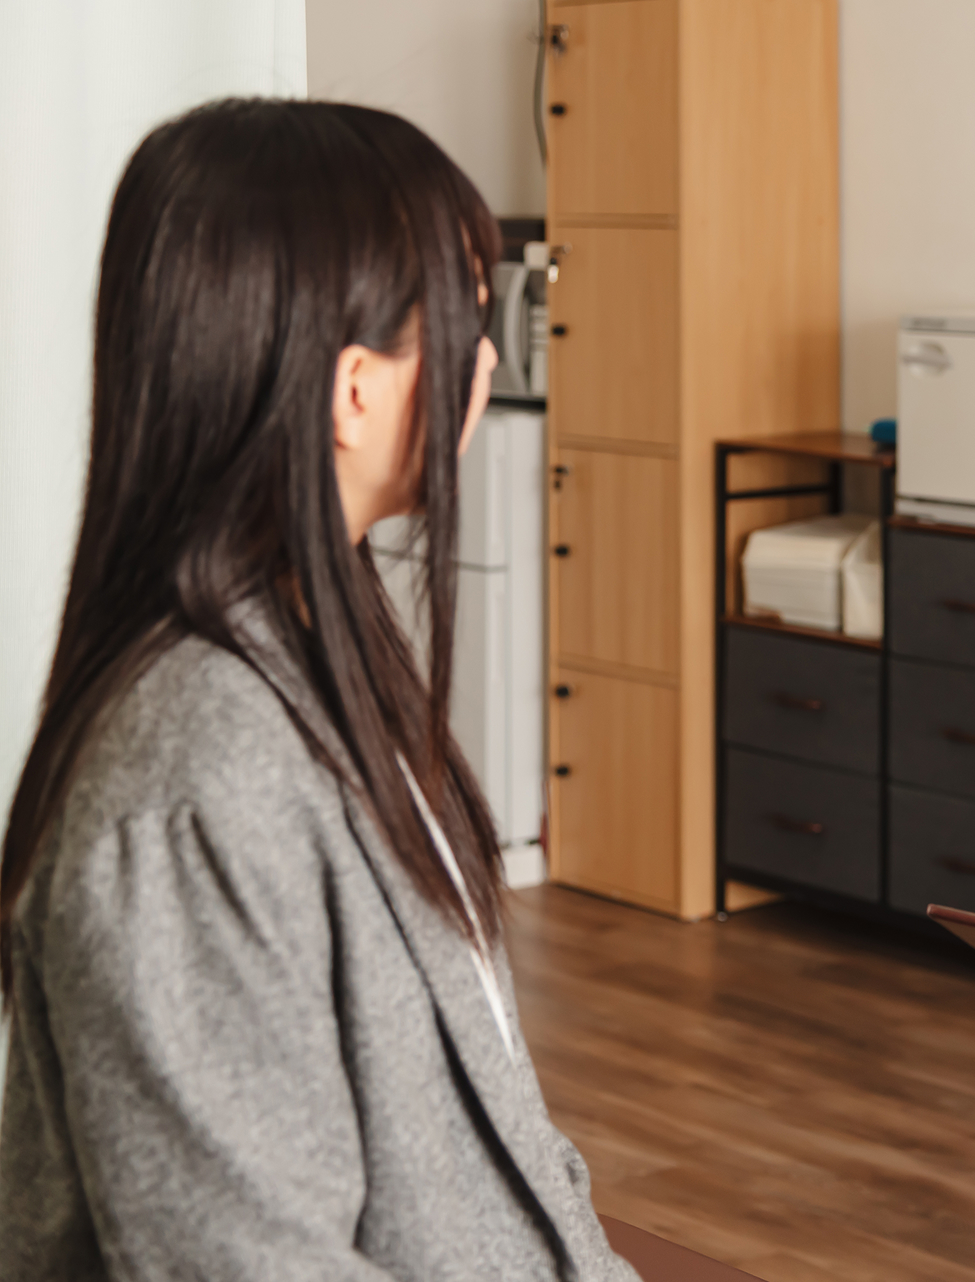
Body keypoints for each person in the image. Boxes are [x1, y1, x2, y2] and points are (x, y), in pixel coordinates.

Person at [0, 100, 637, 1280]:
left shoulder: (326, 668)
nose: (489, 360)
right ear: (354, 390)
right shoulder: (199, 777)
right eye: (466, 320)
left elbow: (496, 1139)